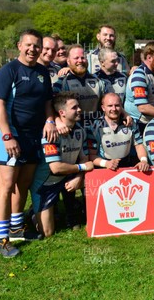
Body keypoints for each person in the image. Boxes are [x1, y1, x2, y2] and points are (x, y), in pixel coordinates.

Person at [0, 29, 57, 257]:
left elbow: (48, 102)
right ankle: (1, 239)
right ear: (19, 45)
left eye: (37, 45)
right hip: (12, 136)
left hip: (34, 137)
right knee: (7, 185)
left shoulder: (42, 72)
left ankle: (18, 228)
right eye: (28, 45)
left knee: (24, 183)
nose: (33, 49)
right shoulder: (8, 70)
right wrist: (7, 136)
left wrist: (50, 120)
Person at [30, 92, 93, 237]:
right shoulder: (51, 133)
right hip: (45, 183)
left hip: (66, 178)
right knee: (47, 232)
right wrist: (81, 168)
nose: (79, 110)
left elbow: (84, 158)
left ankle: (78, 214)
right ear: (61, 113)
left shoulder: (80, 130)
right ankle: (32, 213)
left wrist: (79, 177)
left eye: (78, 106)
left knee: (91, 180)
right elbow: (56, 167)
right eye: (74, 107)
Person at [53, 44, 112, 129]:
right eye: (76, 58)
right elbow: (52, 107)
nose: (80, 60)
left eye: (83, 57)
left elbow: (110, 103)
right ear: (68, 61)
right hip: (73, 131)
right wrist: (57, 121)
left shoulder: (99, 81)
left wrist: (124, 113)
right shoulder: (61, 83)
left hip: (97, 130)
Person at [87, 93, 150, 172]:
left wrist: (143, 161)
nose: (114, 109)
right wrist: (106, 163)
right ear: (103, 108)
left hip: (127, 166)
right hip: (105, 169)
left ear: (121, 106)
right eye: (110, 106)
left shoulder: (130, 123)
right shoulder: (94, 127)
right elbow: (91, 155)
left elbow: (139, 145)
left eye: (117, 105)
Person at [128, 41, 154, 132]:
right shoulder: (139, 75)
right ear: (149, 57)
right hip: (137, 124)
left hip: (150, 120)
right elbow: (143, 107)